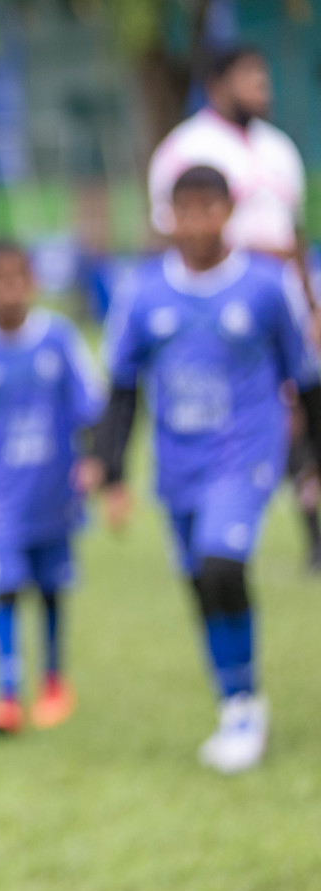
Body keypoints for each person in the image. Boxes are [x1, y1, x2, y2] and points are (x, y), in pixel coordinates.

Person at [85, 166, 321, 774]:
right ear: (167, 217)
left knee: (222, 562)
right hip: (178, 467)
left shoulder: (267, 288)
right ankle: (234, 696)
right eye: (182, 211)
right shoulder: (143, 293)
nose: (194, 223)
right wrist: (111, 476)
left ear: (228, 211)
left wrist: (313, 461)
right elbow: (122, 388)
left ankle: (243, 706)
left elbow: (307, 379)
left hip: (245, 456)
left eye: (207, 209)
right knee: (200, 580)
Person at [148, 45, 321, 572]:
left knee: (303, 416)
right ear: (219, 83)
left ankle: (312, 535)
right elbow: (167, 235)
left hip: (283, 308)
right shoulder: (184, 149)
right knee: (248, 415)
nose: (263, 87)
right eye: (252, 77)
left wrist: (311, 307)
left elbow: (293, 235)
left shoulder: (279, 148)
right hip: (221, 315)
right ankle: (215, 520)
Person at [0, 242, 104, 735]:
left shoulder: (59, 340)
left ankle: (54, 681)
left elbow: (88, 410)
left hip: (53, 492)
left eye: (19, 279)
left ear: (34, 282)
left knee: (51, 589)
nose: (10, 291)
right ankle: (7, 695)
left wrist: (93, 462)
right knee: (3, 587)